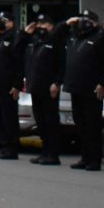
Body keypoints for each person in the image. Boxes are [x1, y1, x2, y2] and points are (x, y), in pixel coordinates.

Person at [63, 11, 104, 171]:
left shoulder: (99, 37)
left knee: (92, 126)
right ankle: (84, 157)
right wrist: (67, 23)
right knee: (80, 125)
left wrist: (102, 83)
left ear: (95, 22)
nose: (84, 22)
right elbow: (56, 36)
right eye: (82, 19)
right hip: (75, 87)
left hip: (92, 89)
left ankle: (94, 159)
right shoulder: (74, 37)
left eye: (88, 20)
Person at [23, 13, 67, 165]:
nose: (41, 27)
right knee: (40, 120)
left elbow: (61, 64)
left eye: (45, 25)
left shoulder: (56, 41)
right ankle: (45, 151)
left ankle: (53, 154)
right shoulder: (35, 41)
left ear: (51, 26)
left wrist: (57, 82)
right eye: (39, 24)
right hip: (36, 86)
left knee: (50, 121)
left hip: (50, 88)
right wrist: (26, 31)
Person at [0, 15, 27, 159]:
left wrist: (17, 85)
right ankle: (2, 145)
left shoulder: (14, 38)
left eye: (4, 21)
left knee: (9, 117)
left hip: (8, 85)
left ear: (11, 23)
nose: (1, 24)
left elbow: (19, 64)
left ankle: (12, 146)